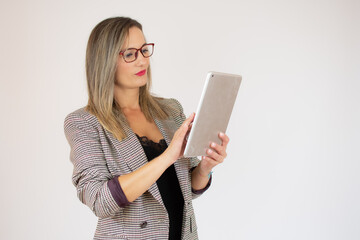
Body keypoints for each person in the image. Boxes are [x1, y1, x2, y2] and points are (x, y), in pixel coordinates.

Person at [64, 17, 229, 240]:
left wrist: (205, 168)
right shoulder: (84, 123)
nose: (142, 61)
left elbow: (187, 188)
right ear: (104, 61)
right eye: (130, 54)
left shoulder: (170, 110)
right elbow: (99, 201)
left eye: (144, 50)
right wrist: (167, 157)